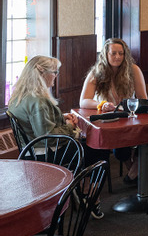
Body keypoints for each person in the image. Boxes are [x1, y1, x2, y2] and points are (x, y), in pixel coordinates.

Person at [7, 56, 105, 219]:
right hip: (47, 153)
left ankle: (81, 188)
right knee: (99, 149)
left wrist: (62, 118)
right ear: (42, 74)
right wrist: (71, 126)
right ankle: (89, 193)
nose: (56, 75)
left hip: (31, 150)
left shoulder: (20, 96)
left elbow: (41, 126)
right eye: (54, 72)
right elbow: (48, 137)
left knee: (90, 147)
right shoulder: (38, 101)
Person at [80, 38, 147, 184]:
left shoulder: (133, 70)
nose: (117, 57)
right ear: (105, 54)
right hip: (109, 122)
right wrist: (101, 104)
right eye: (113, 53)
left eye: (121, 54)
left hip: (130, 118)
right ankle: (137, 174)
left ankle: (134, 173)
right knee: (121, 148)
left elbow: (143, 99)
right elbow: (83, 101)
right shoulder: (96, 72)